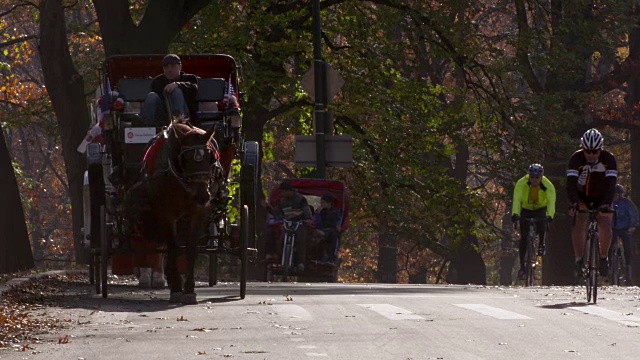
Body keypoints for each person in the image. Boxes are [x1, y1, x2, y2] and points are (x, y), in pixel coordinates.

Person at [567, 128, 617, 277]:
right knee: (579, 220)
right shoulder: (575, 159)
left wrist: (606, 204)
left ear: (600, 149)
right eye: (587, 151)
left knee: (605, 222)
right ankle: (579, 259)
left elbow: (611, 184)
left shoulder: (609, 159)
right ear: (583, 149)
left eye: (594, 151)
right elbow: (570, 184)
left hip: (602, 196)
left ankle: (603, 258)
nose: (590, 154)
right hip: (582, 197)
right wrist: (574, 202)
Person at [511, 163, 556, 280]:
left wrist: (550, 216)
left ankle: (541, 243)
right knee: (524, 238)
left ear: (541, 176)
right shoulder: (521, 183)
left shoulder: (548, 185)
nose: (534, 180)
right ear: (528, 176)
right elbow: (517, 199)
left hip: (541, 208)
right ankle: (522, 268)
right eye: (532, 177)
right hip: (526, 209)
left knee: (542, 223)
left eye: (537, 177)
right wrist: (515, 214)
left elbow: (551, 201)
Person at [263, 182, 313, 271]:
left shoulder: (300, 199)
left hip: (299, 223)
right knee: (282, 240)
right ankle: (282, 260)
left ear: (289, 191)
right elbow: (277, 212)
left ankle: (301, 262)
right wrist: (268, 208)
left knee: (301, 240)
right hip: (288, 223)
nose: (283, 194)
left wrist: (308, 219)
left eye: (284, 192)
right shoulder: (282, 201)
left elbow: (306, 210)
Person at [140, 54, 198, 127]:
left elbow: (193, 87)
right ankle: (144, 125)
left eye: (173, 66)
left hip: (185, 117)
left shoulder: (189, 78)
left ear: (180, 67)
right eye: (166, 67)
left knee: (177, 92)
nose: (169, 70)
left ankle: (179, 124)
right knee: (152, 96)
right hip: (163, 117)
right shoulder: (158, 81)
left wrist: (177, 84)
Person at [610, 184, 639, 283]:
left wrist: (633, 226)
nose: (615, 196)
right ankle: (609, 268)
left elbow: (634, 215)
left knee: (627, 248)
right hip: (612, 228)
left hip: (625, 228)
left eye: (617, 194)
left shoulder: (627, 203)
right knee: (609, 246)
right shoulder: (609, 203)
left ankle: (628, 269)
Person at [312, 194, 343, 263]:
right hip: (321, 227)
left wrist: (338, 225)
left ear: (329, 203)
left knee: (333, 234)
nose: (321, 204)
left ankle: (331, 257)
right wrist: (318, 214)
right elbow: (317, 222)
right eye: (321, 202)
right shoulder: (320, 211)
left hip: (332, 229)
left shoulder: (336, 211)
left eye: (323, 202)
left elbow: (339, 219)